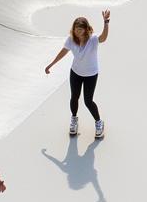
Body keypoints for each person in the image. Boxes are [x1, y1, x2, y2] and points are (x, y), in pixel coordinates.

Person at [45, 11, 110, 139]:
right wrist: (51, 64)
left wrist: (106, 23)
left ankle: (99, 122)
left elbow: (103, 37)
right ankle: (74, 119)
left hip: (91, 74)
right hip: (76, 72)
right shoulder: (71, 40)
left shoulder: (93, 39)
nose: (78, 32)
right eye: (76, 29)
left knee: (88, 101)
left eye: (80, 29)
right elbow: (63, 52)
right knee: (74, 97)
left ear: (86, 29)